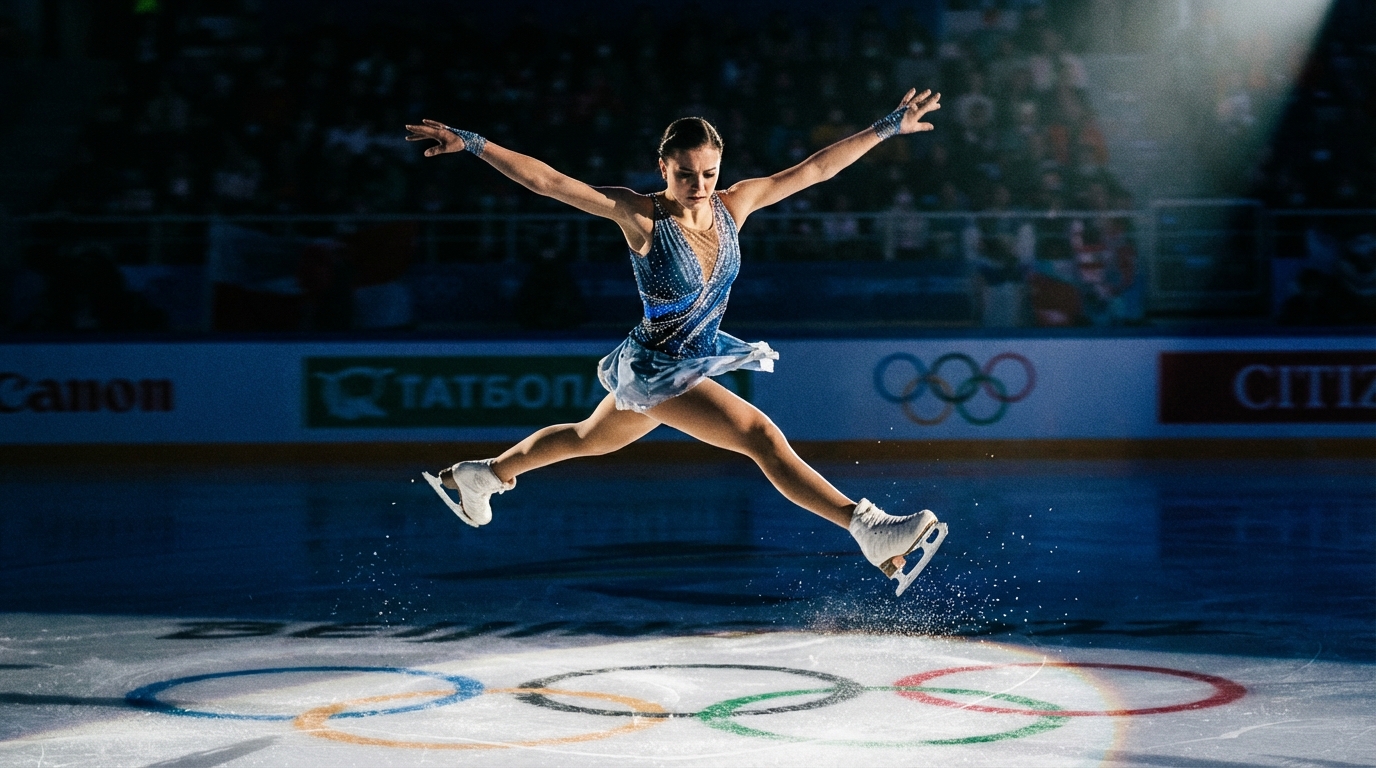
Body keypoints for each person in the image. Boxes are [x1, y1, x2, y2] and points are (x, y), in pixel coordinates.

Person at [404, 88, 947, 595]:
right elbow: (550, 182)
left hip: (686, 364)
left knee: (586, 439)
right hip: (658, 367)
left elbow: (817, 168)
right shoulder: (641, 215)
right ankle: (867, 526)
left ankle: (485, 475)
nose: (699, 184)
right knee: (759, 435)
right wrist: (472, 143)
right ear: (663, 167)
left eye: (709, 172)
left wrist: (888, 127)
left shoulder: (735, 206)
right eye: (686, 174)